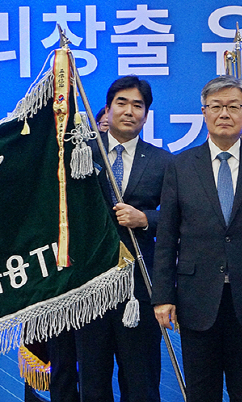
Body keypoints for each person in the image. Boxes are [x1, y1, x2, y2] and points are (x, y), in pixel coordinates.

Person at [152, 76, 242, 402]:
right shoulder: (181, 165)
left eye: (233, 106)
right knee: (201, 392)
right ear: (204, 112)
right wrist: (162, 297)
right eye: (216, 106)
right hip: (196, 297)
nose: (224, 113)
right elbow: (167, 234)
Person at [75, 75, 172, 402]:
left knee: (141, 380)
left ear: (146, 114)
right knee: (93, 381)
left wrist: (146, 219)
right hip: (90, 287)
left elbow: (178, 218)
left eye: (138, 105)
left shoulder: (162, 161)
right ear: (109, 107)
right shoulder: (81, 154)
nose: (129, 111)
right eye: (122, 103)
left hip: (140, 287)